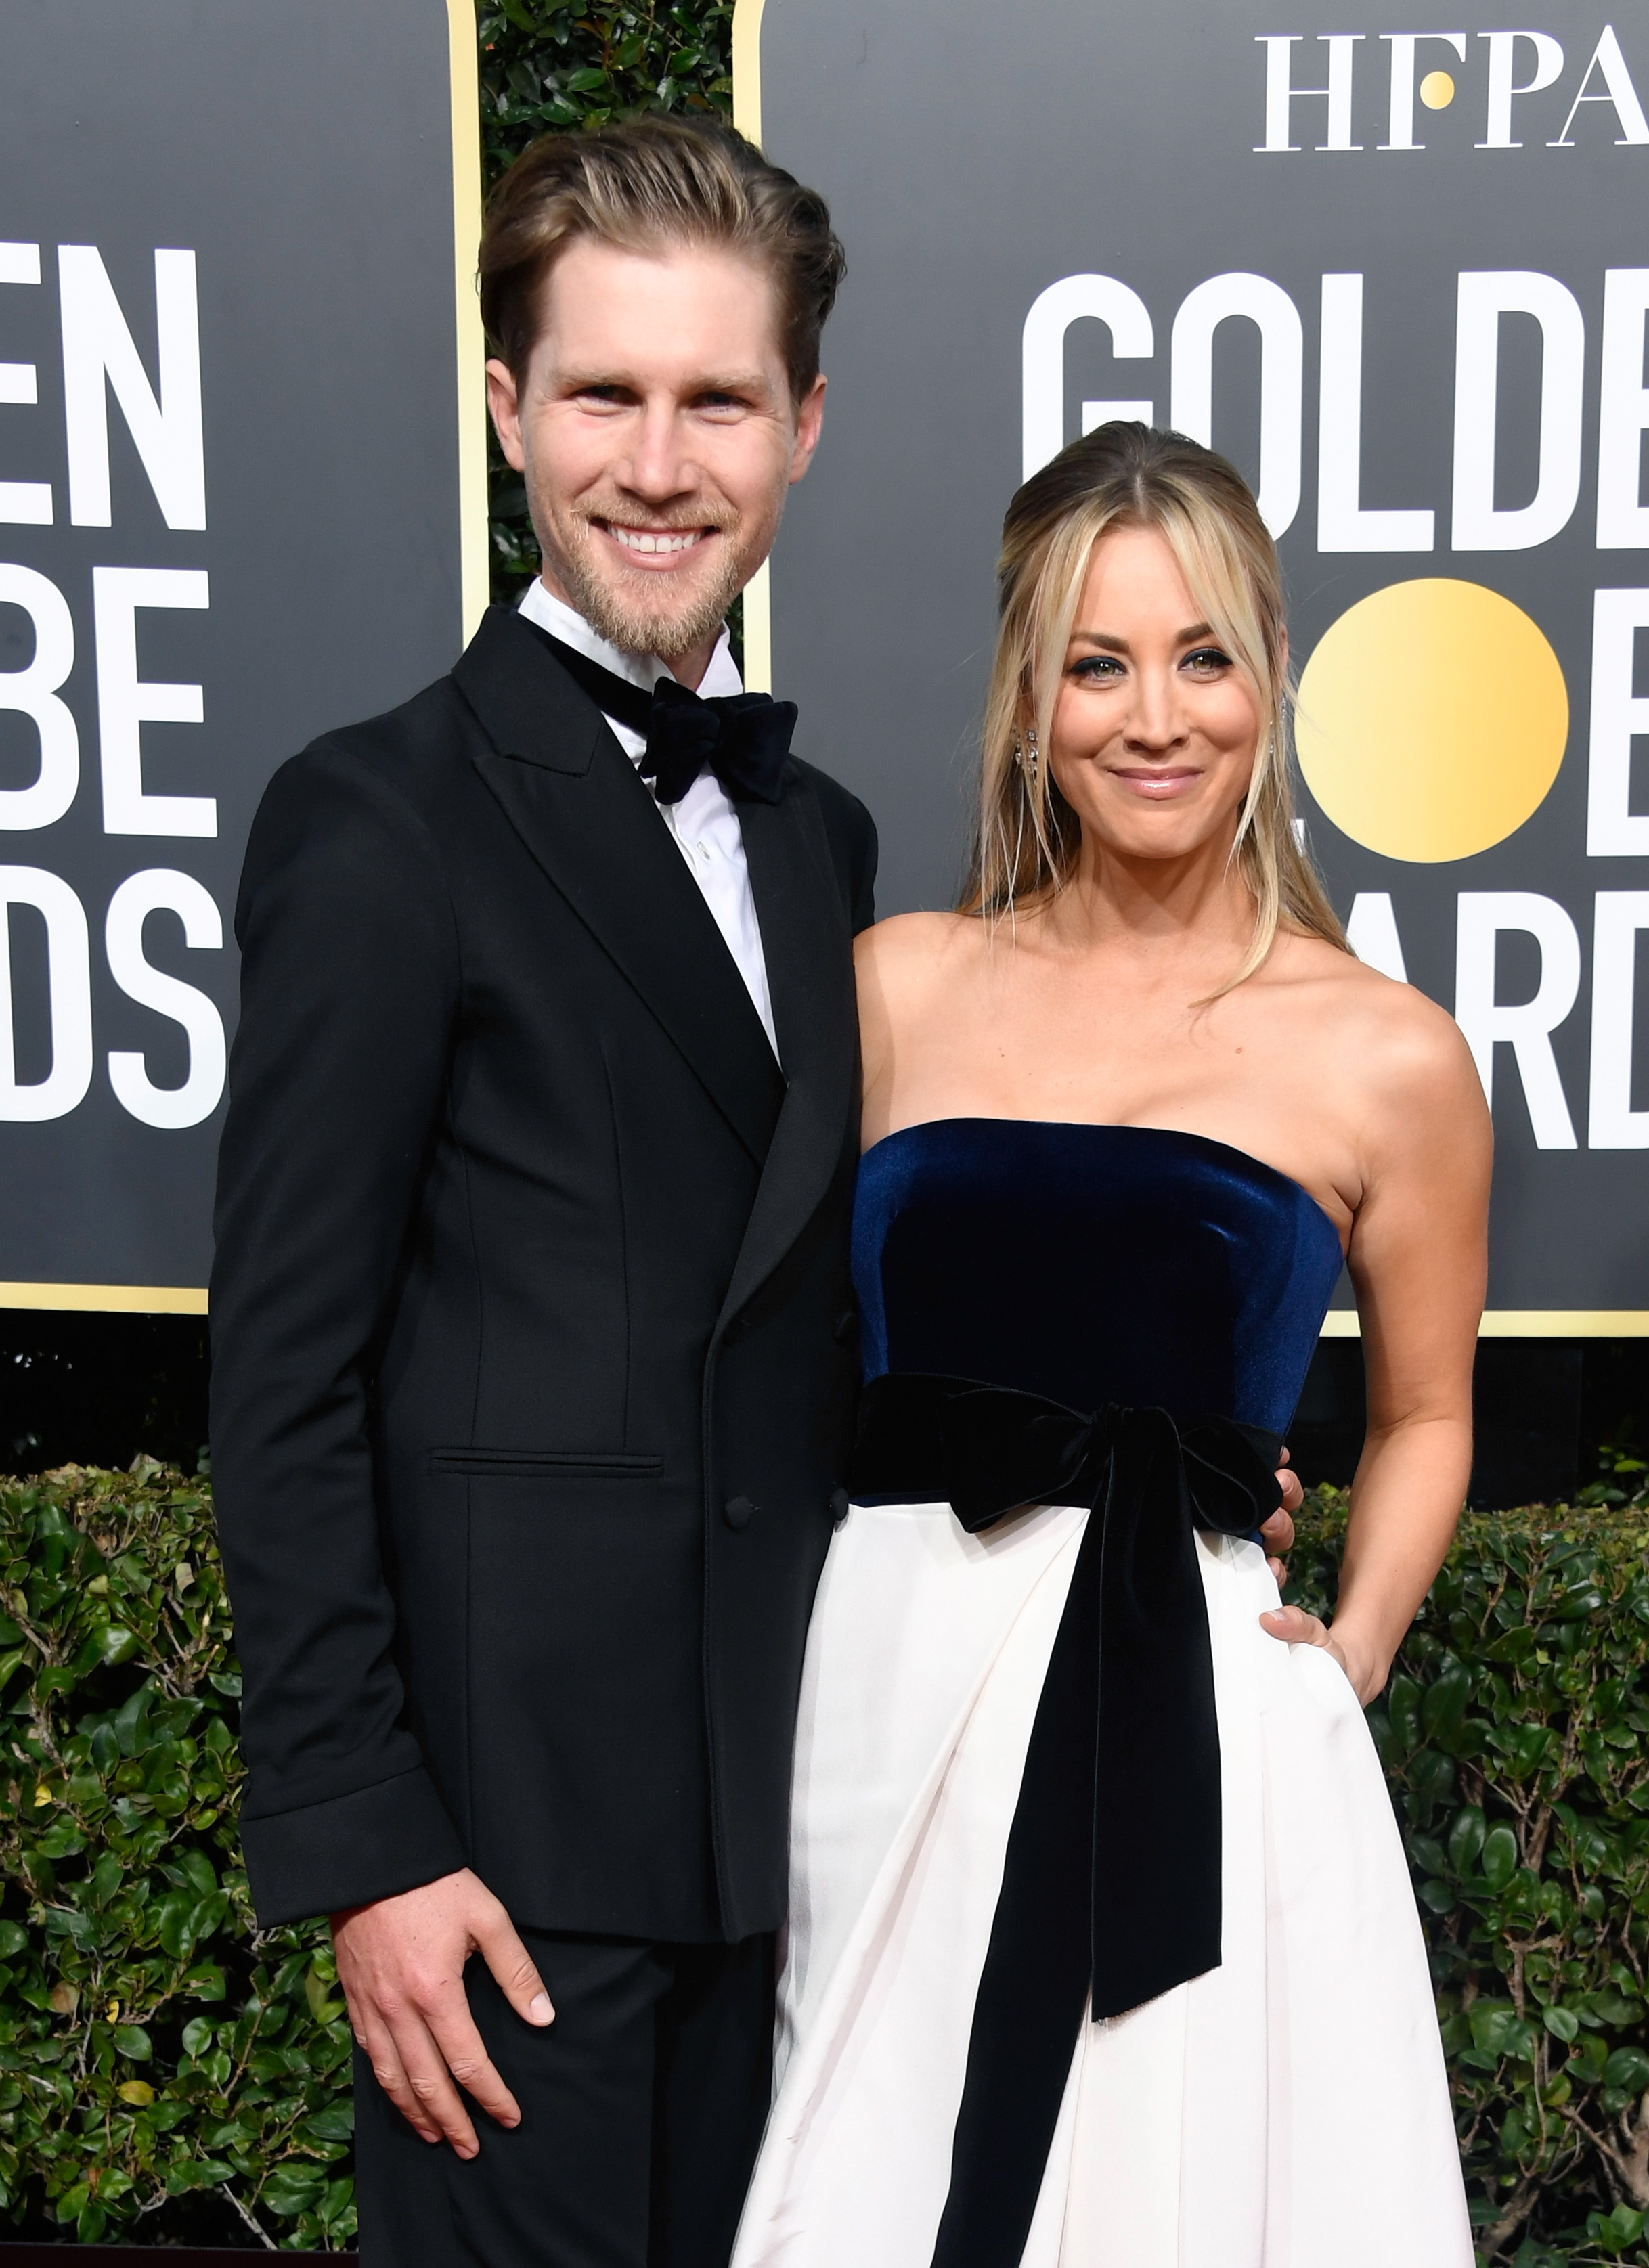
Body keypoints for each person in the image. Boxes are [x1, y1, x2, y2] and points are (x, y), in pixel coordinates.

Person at [208, 119, 875, 2268]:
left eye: (716, 403)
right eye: (602, 393)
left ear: (802, 429)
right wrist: (369, 1847)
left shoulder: (823, 842)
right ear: (507, 408)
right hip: (506, 1881)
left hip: (800, 1844)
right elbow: (284, 1373)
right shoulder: (376, 820)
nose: (657, 465)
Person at [729, 423, 1488, 2268]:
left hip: (1201, 1714)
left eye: (1200, 657)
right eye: (1096, 663)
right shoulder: (893, 985)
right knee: (866, 2171)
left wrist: (1349, 1652)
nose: (1154, 717)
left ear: (1266, 678)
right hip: (883, 1693)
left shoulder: (1385, 1053)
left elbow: (1425, 1410)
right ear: (1026, 700)